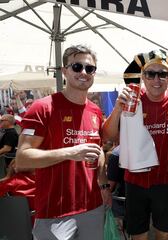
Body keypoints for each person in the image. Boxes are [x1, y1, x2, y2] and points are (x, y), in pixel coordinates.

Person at [16, 45, 111, 240]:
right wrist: (70, 152)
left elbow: (98, 150)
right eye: (77, 67)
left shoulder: (95, 110)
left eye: (89, 68)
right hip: (55, 212)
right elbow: (22, 159)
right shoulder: (42, 107)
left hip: (93, 207)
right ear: (64, 71)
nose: (84, 72)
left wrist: (103, 186)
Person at [103, 49, 168, 240]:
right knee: (138, 235)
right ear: (143, 77)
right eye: (150, 74)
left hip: (166, 181)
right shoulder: (132, 102)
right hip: (135, 181)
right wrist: (116, 109)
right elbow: (108, 136)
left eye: (162, 74)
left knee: (164, 234)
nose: (156, 79)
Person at [0, 159, 36, 224]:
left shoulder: (12, 182)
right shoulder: (40, 180)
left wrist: (7, 177)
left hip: (17, 220)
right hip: (39, 219)